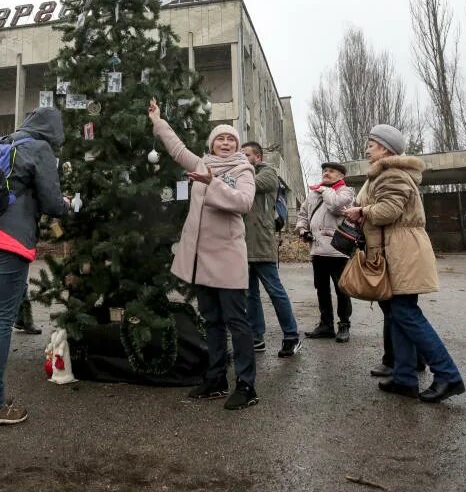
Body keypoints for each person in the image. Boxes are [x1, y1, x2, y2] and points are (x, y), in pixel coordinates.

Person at [148, 98, 259, 410]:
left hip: (228, 257)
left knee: (237, 322)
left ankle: (247, 384)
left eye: (230, 139)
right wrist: (158, 121)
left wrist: (213, 184)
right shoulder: (201, 164)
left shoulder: (242, 169)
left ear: (236, 146)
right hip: (203, 258)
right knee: (212, 321)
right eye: (220, 138)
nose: (225, 142)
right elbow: (176, 148)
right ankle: (216, 379)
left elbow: (243, 203)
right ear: (212, 143)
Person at [342, 124, 465, 403]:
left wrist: (361, 211)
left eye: (371, 145)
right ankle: (405, 378)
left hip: (402, 252)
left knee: (405, 313)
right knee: (397, 314)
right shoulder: (385, 174)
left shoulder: (393, 173)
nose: (367, 149)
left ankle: (448, 375)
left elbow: (388, 211)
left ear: (385, 148)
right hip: (394, 250)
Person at [0, 107, 68, 428]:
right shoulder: (39, 148)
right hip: (6, 239)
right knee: (0, 321)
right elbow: (51, 202)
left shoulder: (0, 145)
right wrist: (70, 206)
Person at [241, 141, 302, 358]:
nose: (241, 157)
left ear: (257, 157)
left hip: (262, 244)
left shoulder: (268, 173)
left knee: (275, 292)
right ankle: (256, 337)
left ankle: (292, 336)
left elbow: (246, 185)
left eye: (245, 154)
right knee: (250, 295)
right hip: (243, 245)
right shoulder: (245, 172)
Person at [296, 162, 355, 342]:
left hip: (337, 249)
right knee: (321, 288)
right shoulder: (314, 193)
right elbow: (303, 213)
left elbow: (336, 206)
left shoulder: (346, 192)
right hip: (317, 249)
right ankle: (326, 325)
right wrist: (301, 229)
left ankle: (344, 325)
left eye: (331, 171)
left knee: (341, 288)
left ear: (341, 176)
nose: (326, 173)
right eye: (324, 171)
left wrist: (325, 190)